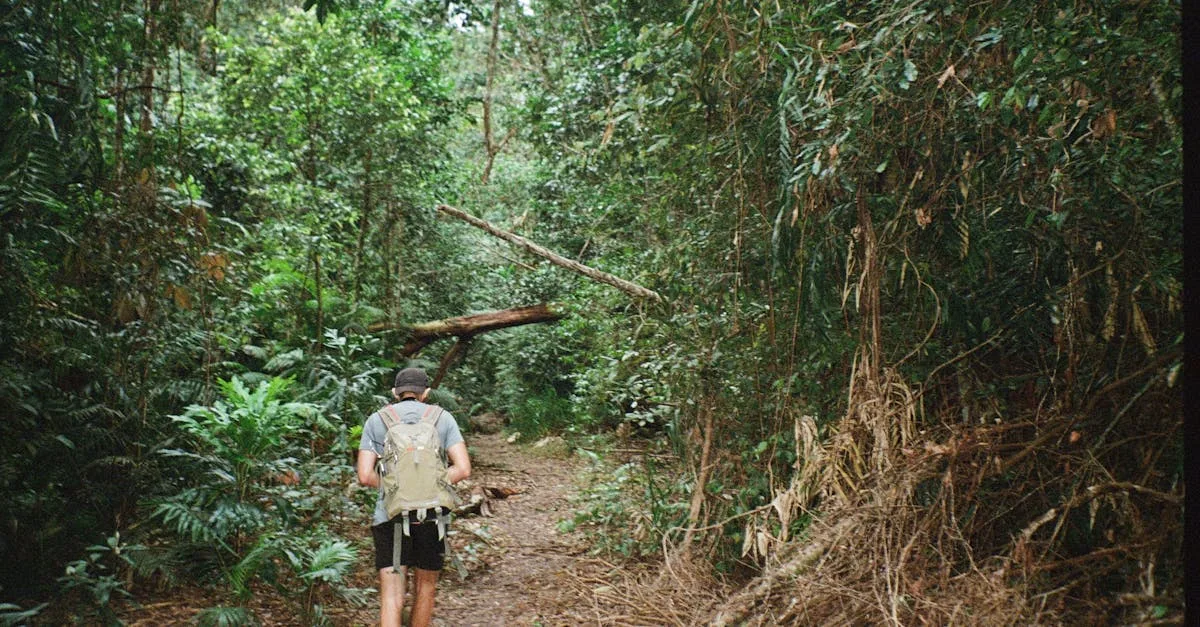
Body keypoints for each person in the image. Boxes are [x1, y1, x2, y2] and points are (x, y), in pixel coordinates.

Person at [357, 367, 471, 627]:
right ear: (426, 393)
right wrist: (431, 485)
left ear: (395, 393)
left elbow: (364, 476)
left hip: (389, 516)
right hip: (433, 517)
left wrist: (395, 489)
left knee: (391, 596)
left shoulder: (377, 420)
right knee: (426, 588)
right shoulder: (443, 418)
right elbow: (463, 468)